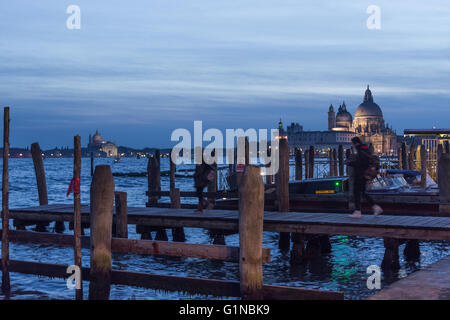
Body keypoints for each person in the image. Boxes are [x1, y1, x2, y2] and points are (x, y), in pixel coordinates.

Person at [347, 137, 383, 218]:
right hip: (365, 175)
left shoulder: (361, 151)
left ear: (356, 143)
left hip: (360, 175)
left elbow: (361, 163)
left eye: (353, 143)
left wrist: (350, 163)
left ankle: (358, 211)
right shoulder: (366, 149)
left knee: (357, 192)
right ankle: (375, 207)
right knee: (363, 193)